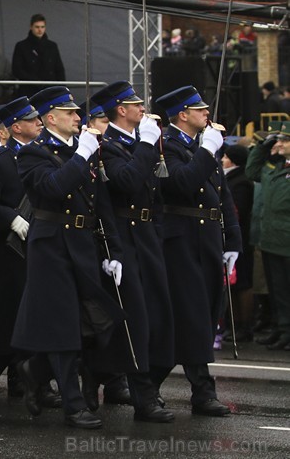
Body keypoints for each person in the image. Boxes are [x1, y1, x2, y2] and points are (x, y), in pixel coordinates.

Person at [13, 86, 125, 429]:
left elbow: (101, 204)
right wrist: (82, 158)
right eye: (70, 113)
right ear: (50, 118)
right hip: (52, 246)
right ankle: (73, 405)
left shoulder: (84, 149)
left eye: (78, 113)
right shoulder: (34, 153)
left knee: (96, 321)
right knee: (64, 326)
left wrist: (113, 251)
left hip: (83, 242)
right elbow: (51, 188)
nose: (79, 118)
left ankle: (36, 369)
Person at [91, 81, 176, 423]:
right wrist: (145, 143)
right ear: (121, 110)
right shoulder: (106, 145)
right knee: (136, 322)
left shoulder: (138, 143)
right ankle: (143, 397)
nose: (143, 109)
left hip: (147, 236)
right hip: (123, 237)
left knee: (160, 318)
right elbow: (125, 182)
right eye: (135, 105)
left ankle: (146, 384)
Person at [153, 85, 241, 416]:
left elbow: (222, 191)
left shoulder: (204, 145)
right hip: (180, 238)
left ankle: (149, 384)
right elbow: (181, 184)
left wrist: (232, 238)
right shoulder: (167, 146)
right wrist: (206, 152)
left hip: (207, 237)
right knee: (191, 315)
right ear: (182, 115)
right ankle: (201, 391)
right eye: (199, 109)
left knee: (203, 314)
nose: (207, 113)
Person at [0, 97, 62, 407]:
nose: (39, 122)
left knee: (39, 312)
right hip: (9, 246)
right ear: (14, 128)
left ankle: (35, 380)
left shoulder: (45, 154)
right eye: (31, 119)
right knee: (9, 314)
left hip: (42, 241)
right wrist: (10, 218)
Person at [245, 123, 290, 350]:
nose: (279, 144)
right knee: (278, 292)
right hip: (271, 241)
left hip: (287, 243)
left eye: (284, 140)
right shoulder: (274, 168)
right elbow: (251, 171)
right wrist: (264, 144)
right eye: (278, 140)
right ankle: (282, 330)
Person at [221, 144, 254, 344]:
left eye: (225, 156)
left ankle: (244, 326)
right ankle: (233, 324)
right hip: (231, 238)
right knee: (231, 284)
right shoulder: (231, 178)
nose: (222, 160)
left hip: (240, 239)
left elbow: (237, 210)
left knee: (242, 283)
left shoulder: (241, 182)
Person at [11, 14, 66, 97]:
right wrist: (34, 81)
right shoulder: (21, 46)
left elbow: (59, 69)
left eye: (42, 27)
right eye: (37, 27)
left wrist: (63, 89)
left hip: (50, 90)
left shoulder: (52, 46)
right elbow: (16, 69)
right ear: (31, 27)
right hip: (29, 90)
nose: (40, 30)